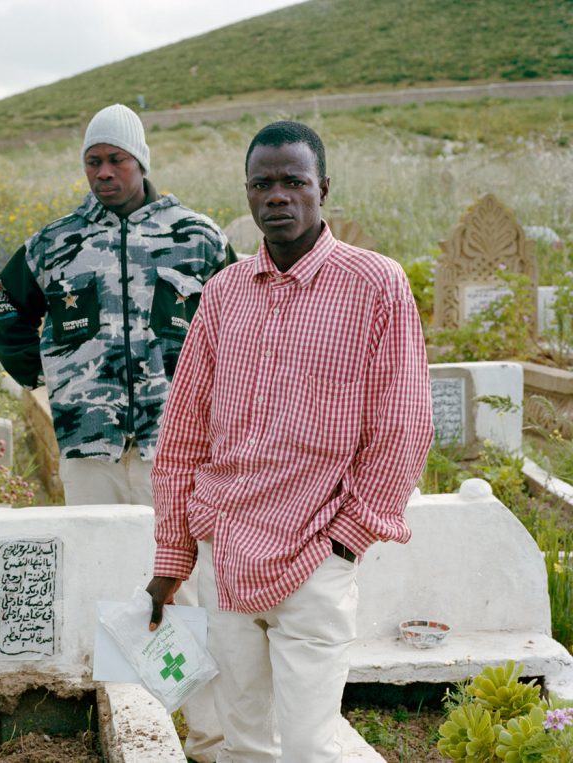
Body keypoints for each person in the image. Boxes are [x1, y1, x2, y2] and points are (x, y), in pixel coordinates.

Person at [147, 120, 433, 762]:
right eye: (262, 183)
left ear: (322, 188)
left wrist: (348, 538)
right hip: (229, 550)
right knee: (245, 741)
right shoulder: (223, 295)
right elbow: (185, 429)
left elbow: (404, 423)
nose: (277, 195)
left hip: (315, 552)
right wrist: (175, 555)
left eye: (293, 181)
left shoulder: (375, 284)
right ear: (247, 195)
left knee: (308, 744)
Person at [0, 103, 233, 760]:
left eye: (115, 160)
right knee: (107, 583)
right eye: (93, 161)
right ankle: (134, 728)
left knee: (186, 584)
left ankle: (210, 737)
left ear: (140, 161)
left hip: (172, 447)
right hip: (88, 444)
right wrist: (50, 378)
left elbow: (242, 324)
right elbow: (2, 307)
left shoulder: (198, 237)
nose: (103, 172)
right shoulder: (56, 241)